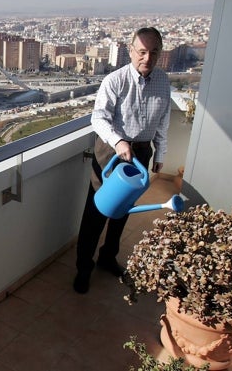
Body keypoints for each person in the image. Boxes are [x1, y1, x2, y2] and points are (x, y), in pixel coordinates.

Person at [73, 27, 171, 294]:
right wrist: (118, 141)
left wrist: (159, 154)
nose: (147, 58)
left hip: (140, 153)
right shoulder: (115, 81)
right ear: (131, 51)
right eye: (142, 51)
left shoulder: (163, 81)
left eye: (153, 52)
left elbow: (163, 121)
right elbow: (98, 118)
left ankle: (107, 258)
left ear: (160, 54)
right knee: (96, 211)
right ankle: (83, 268)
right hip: (111, 152)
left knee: (123, 211)